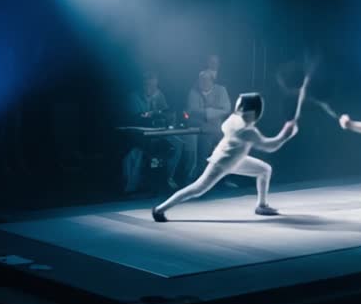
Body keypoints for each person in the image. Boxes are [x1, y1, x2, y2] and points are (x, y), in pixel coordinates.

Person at [151, 93, 297, 222]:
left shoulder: (234, 119)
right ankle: (159, 210)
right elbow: (270, 147)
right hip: (221, 164)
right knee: (197, 189)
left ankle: (261, 206)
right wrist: (285, 134)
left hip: (235, 160)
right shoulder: (247, 131)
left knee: (264, 169)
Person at [121, 71, 184, 193]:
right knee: (142, 151)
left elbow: (165, 114)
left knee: (178, 144)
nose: (151, 88)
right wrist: (152, 114)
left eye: (154, 86)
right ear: (143, 84)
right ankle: (136, 184)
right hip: (138, 135)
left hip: (158, 133)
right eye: (148, 85)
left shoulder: (159, 95)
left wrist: (164, 115)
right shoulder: (134, 97)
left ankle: (168, 177)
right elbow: (135, 119)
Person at [185, 69, 231, 180]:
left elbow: (226, 109)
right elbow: (192, 111)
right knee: (202, 152)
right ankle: (200, 178)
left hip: (219, 128)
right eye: (201, 80)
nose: (203, 82)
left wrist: (206, 112)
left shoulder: (221, 90)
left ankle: (224, 178)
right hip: (201, 129)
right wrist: (213, 112)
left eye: (206, 80)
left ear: (212, 81)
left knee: (226, 151)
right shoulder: (193, 92)